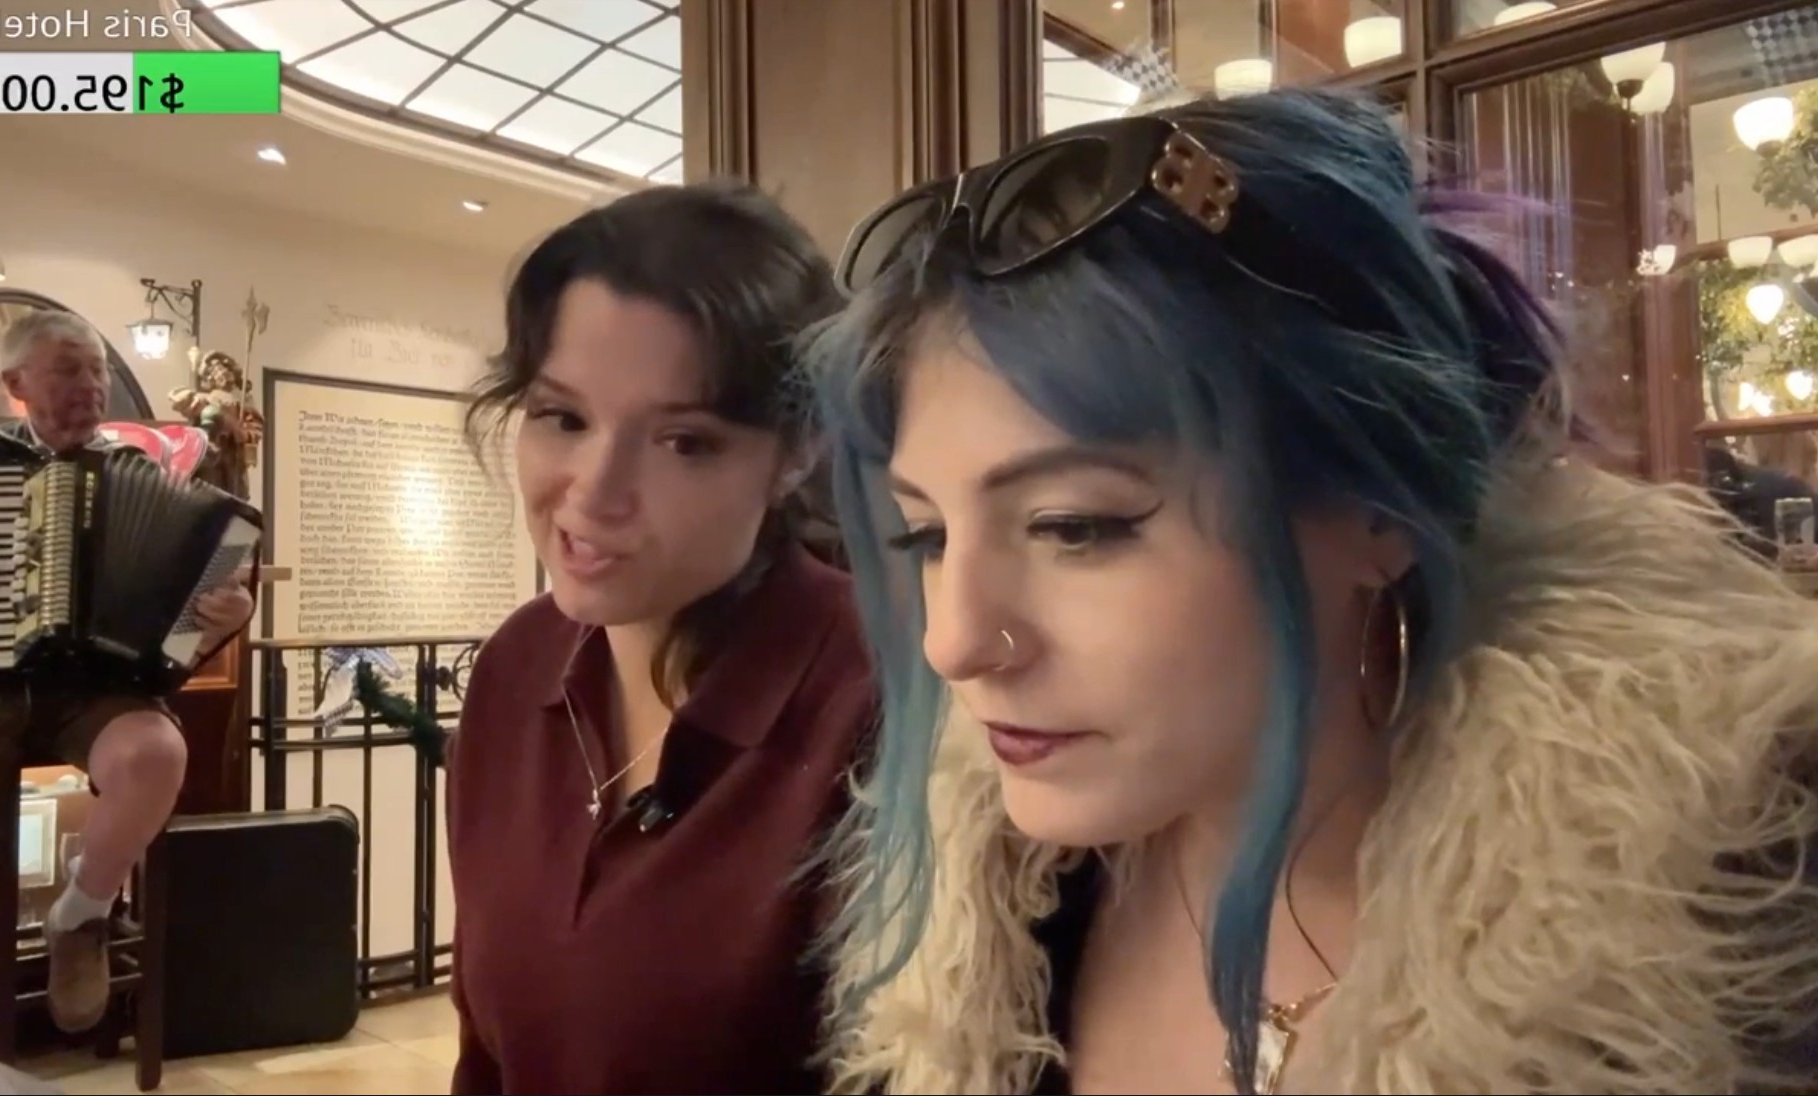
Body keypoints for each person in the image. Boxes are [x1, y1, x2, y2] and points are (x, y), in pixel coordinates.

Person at [803, 89, 1818, 1095]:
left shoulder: (1727, 962)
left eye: (1074, 526)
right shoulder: (992, 936)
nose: (954, 641)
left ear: (1379, 506)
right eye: (926, 534)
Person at [446, 181, 873, 1095]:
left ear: (795, 453)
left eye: (683, 442)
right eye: (563, 418)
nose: (594, 492)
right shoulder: (518, 666)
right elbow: (486, 1053)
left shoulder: (878, 701)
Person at [0, 309, 256, 1093]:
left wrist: (230, 611)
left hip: (94, 685)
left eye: (95, 370)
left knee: (156, 752)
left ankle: (82, 906)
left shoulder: (137, 470)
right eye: (66, 370)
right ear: (16, 383)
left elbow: (195, 607)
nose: (89, 386)